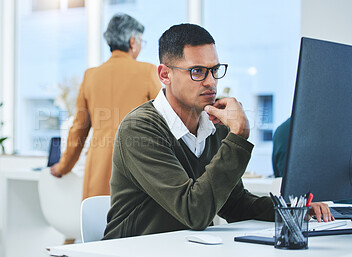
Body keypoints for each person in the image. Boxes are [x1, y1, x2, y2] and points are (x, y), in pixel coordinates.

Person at [103, 23, 333, 239]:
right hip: (133, 249)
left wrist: (293, 209)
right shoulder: (140, 129)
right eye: (197, 71)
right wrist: (238, 136)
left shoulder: (214, 125)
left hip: (186, 248)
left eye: (214, 70)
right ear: (165, 75)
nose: (211, 82)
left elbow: (235, 203)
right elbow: (194, 211)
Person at [50, 13, 161, 200]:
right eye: (141, 41)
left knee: (96, 223)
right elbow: (165, 121)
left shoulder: (91, 76)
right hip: (136, 166)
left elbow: (78, 129)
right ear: (133, 42)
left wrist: (63, 167)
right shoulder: (148, 71)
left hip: (98, 169)